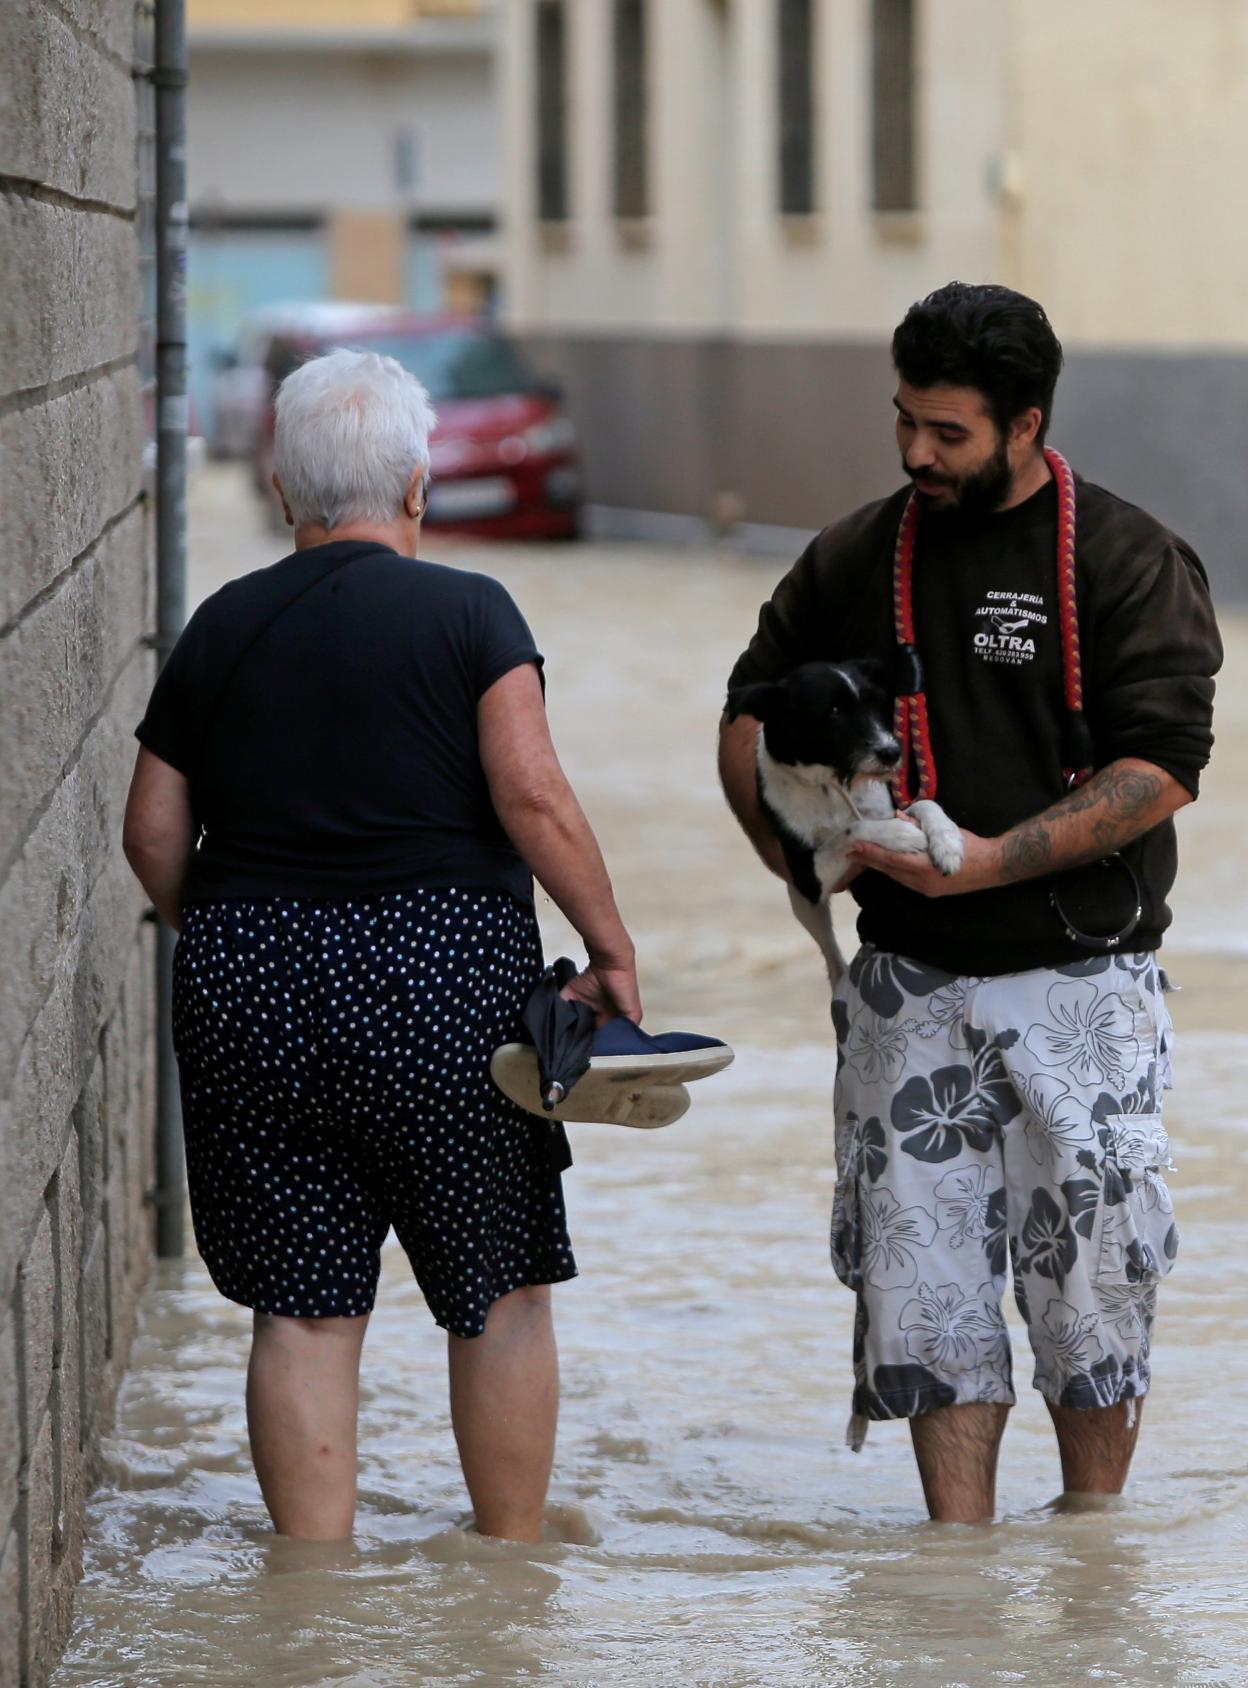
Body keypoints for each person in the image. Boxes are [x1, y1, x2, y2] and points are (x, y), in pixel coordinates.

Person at [719, 282, 1221, 1523]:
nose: (914, 453)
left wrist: (991, 860)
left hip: (1086, 980)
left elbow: (1164, 768)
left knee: (1093, 1290)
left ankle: (1091, 1549)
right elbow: (745, 711)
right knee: (924, 1297)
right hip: (907, 984)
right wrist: (806, 852)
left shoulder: (1125, 555)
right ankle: (957, 1576)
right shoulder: (851, 553)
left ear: (1027, 422)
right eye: (904, 421)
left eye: (947, 433)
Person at [123, 348, 640, 1544]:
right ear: (417, 484)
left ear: (283, 486)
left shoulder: (220, 626)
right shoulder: (472, 612)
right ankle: (507, 1569)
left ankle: (311, 1593)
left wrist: (221, 929)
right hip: (446, 974)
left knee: (300, 1312)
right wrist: (608, 947)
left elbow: (151, 829)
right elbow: (535, 795)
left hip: (249, 972)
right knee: (498, 1292)